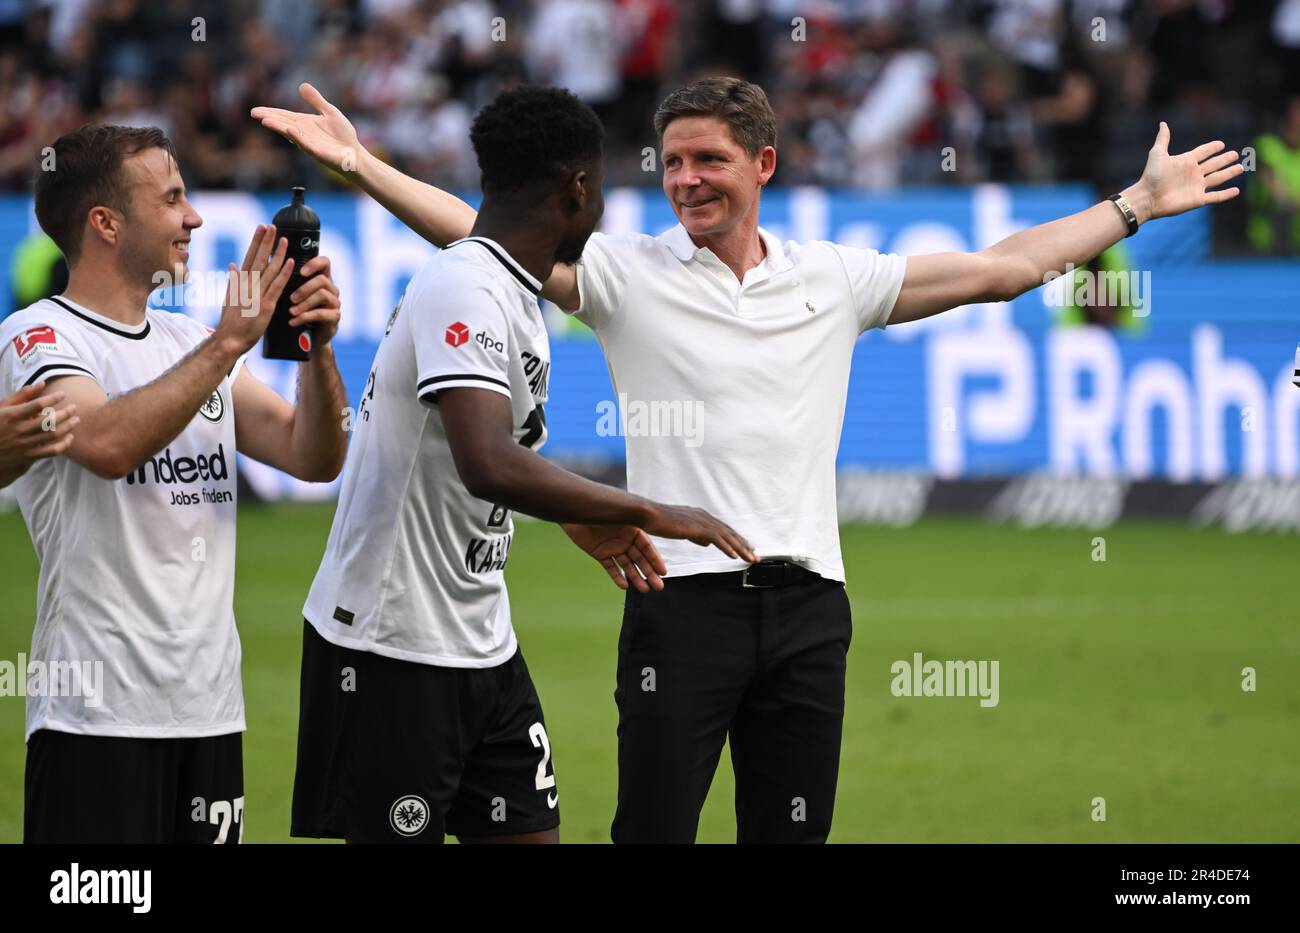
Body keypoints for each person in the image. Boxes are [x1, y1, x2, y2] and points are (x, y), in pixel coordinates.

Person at [253, 76, 1242, 843]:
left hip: (811, 605)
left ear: (762, 164)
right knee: (652, 835)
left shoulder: (834, 277)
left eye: (709, 161)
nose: (686, 179)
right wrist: (361, 165)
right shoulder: (624, 273)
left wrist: (1132, 206)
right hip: (680, 605)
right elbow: (485, 233)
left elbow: (1000, 271)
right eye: (672, 161)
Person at [284, 85, 754, 845]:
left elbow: (504, 451)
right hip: (390, 645)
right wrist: (644, 509)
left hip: (481, 640)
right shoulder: (463, 284)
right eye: (598, 184)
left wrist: (577, 517)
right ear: (577, 188)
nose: (601, 202)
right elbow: (487, 463)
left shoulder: (512, 294)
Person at [0, 123, 349, 843]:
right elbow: (104, 442)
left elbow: (312, 455)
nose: (193, 218)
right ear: (106, 223)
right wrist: (229, 343)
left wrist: (313, 347)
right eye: (172, 198)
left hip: (209, 712)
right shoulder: (39, 337)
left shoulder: (187, 342)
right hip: (95, 719)